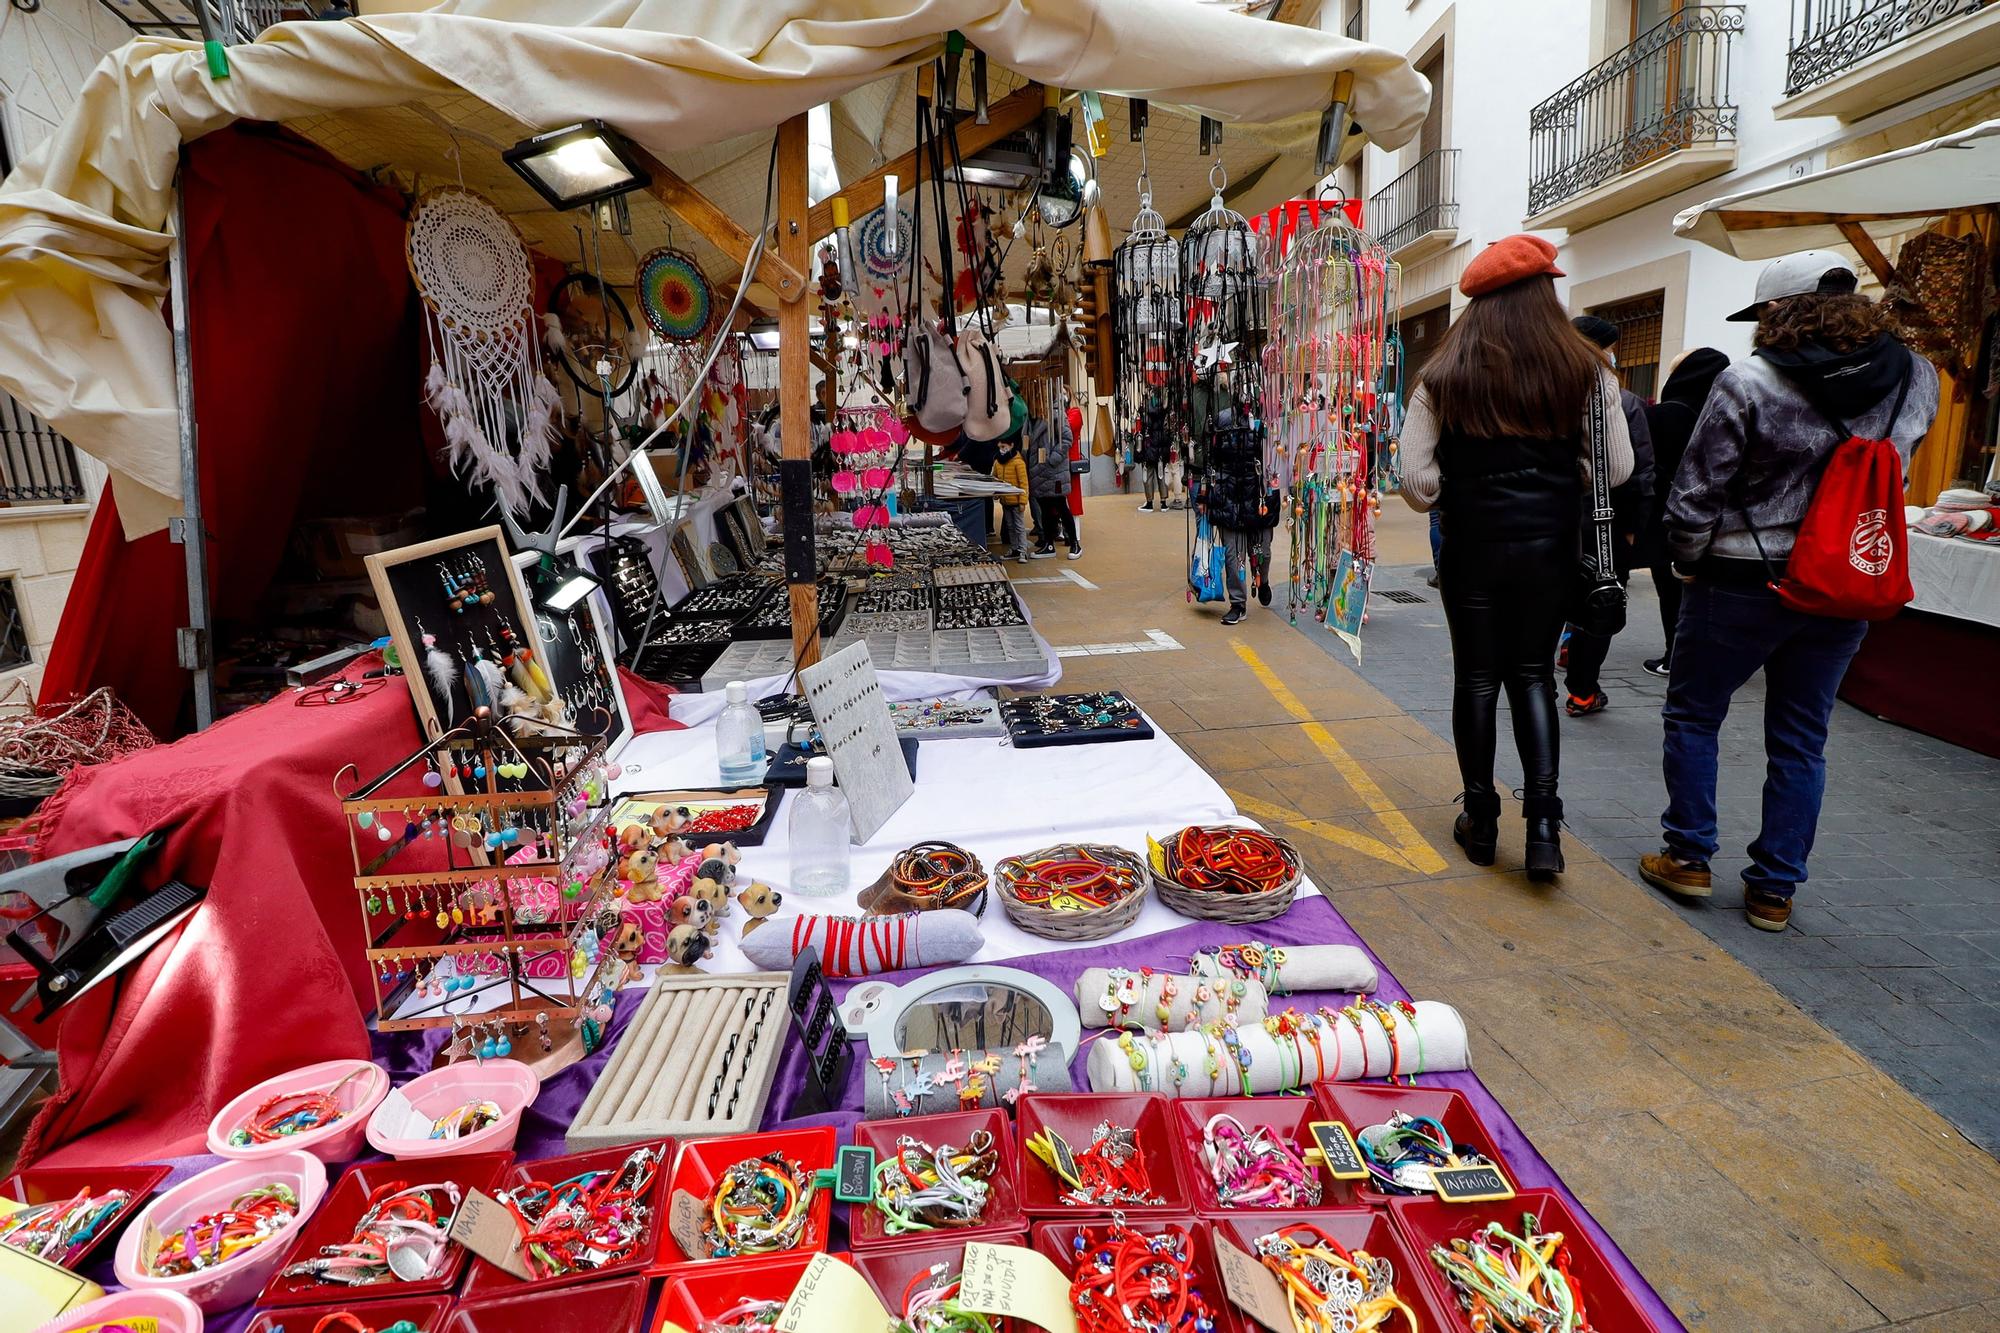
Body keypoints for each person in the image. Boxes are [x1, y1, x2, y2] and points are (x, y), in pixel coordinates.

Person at [1642, 251, 1938, 931]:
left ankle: (1688, 855)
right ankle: (1774, 888)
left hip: (1743, 578)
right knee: (1803, 736)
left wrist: (1687, 561)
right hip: (1843, 581)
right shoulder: (1915, 377)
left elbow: (1697, 489)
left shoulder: (1748, 379)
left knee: (1694, 714)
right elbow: (1896, 474)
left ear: (1781, 310)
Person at [1398, 234, 1633, 880]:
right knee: (1533, 675)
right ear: (1545, 295)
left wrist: (1467, 491)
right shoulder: (1586, 371)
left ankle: (1480, 822)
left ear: (1477, 305)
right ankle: (1544, 830)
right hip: (1548, 553)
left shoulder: (1444, 375)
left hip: (1471, 551)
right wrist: (1561, 479)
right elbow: (1617, 467)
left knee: (1475, 678)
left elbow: (1416, 483)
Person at [1560, 315, 1656, 717]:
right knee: (1599, 599)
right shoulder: (1622, 400)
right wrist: (1635, 530)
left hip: (1549, 520)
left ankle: (1535, 682)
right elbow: (1638, 471)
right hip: (1603, 522)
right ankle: (1582, 691)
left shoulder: (1541, 390)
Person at [1640, 347, 1731, 675]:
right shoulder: (1724, 414)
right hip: (1719, 518)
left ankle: (1674, 655)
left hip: (1669, 517)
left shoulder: (1662, 414)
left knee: (1671, 590)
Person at [1201, 402, 1277, 626]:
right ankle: (1238, 603)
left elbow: (1274, 460)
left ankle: (1262, 580)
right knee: (1232, 554)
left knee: (1263, 549)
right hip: (1229, 496)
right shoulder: (1220, 421)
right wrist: (1206, 497)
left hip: (1258, 495)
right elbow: (1210, 462)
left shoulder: (1265, 420)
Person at [1026, 409, 1078, 559]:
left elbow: (1067, 438)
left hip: (1053, 470)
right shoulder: (1031, 415)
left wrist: (1052, 459)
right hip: (1037, 469)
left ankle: (1075, 543)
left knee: (1060, 505)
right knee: (1044, 506)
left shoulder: (1056, 413)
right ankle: (1048, 544)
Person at [993, 432, 1031, 560]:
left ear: (1011, 445)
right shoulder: (998, 462)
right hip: (1005, 502)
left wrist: (1022, 502)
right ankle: (1014, 548)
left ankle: (1022, 551)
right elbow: (995, 479)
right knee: (1010, 527)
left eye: (1004, 447)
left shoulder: (1018, 462)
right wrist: (996, 493)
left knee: (1019, 527)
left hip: (1016, 501)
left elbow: (1024, 483)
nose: (1001, 450)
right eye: (1000, 447)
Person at [1136, 394, 1171, 512]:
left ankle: (1149, 502)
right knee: (1161, 473)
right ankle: (1164, 503)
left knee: (1148, 473)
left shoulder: (1146, 409)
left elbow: (1145, 425)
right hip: (1162, 442)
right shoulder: (1164, 406)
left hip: (1150, 444)